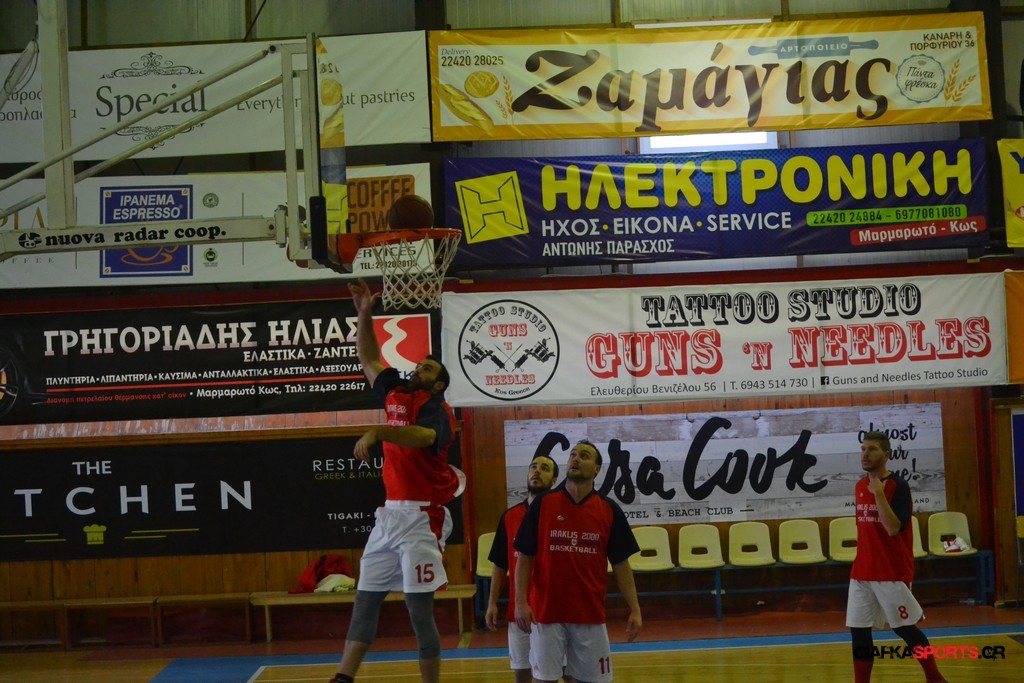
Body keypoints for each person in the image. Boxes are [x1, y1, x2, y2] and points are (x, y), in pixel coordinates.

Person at [332, 279, 462, 683]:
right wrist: (364, 314)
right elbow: (369, 358)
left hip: (422, 519)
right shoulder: (395, 393)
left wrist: (380, 431)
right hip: (389, 516)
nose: (419, 368)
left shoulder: (439, 409)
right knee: (365, 602)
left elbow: (422, 437)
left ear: (439, 383)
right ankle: (343, 678)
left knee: (417, 611)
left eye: (428, 368)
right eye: (420, 364)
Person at [513, 440, 642, 683]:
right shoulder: (543, 504)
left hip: (590, 615)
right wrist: (520, 602)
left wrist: (635, 608)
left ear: (597, 469)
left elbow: (621, 564)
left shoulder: (609, 510)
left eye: (584, 456)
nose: (575, 458)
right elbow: (524, 555)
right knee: (544, 680)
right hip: (546, 614)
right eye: (572, 454)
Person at [846, 430, 946, 683]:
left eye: (872, 449)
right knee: (859, 631)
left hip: (890, 571)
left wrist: (879, 493)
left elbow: (892, 529)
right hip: (862, 571)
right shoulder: (859, 486)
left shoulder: (897, 486)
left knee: (905, 629)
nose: (865, 454)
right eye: (863, 449)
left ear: (886, 455)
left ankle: (935, 678)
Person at [485, 453, 574, 683]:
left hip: (554, 612)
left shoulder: (562, 515)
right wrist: (492, 602)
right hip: (520, 612)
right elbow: (500, 564)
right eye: (533, 467)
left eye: (544, 468)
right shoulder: (510, 517)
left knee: (567, 673)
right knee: (522, 674)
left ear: (554, 480)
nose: (536, 471)